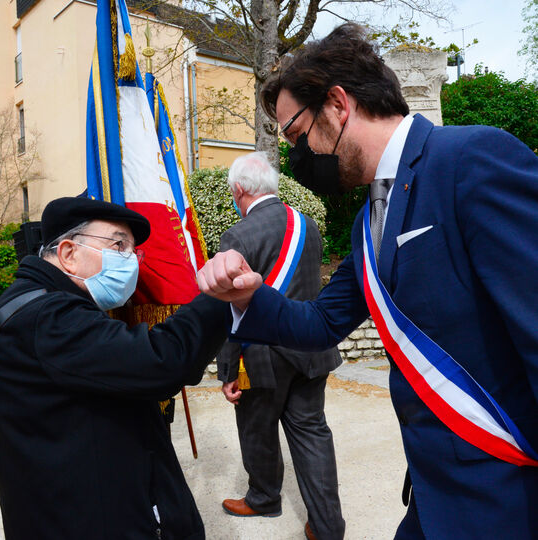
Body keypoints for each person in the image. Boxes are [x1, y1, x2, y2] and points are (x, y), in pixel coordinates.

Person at [197, 23, 538, 540]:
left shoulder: (472, 159)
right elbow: (322, 321)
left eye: (295, 135)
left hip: (503, 487)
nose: (296, 158)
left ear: (337, 104)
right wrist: (248, 295)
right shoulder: (368, 218)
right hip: (432, 490)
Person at [0, 196, 227, 540]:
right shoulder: (50, 317)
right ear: (69, 254)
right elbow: (161, 360)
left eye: (133, 251)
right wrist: (219, 296)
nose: (130, 261)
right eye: (118, 244)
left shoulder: (31, 301)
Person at [216, 152, 344, 540]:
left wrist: (226, 370)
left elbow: (230, 307)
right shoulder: (307, 224)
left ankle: (263, 498)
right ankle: (327, 526)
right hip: (310, 345)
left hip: (261, 354)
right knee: (311, 433)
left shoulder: (238, 235)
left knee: (256, 428)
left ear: (239, 190)